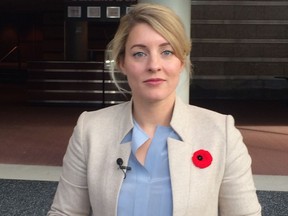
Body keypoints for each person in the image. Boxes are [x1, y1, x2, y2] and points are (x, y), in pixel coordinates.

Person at [48, 3, 261, 216]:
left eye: (167, 52)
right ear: (122, 62)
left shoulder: (220, 132)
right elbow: (66, 212)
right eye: (139, 54)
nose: (154, 65)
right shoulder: (90, 130)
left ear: (181, 61)